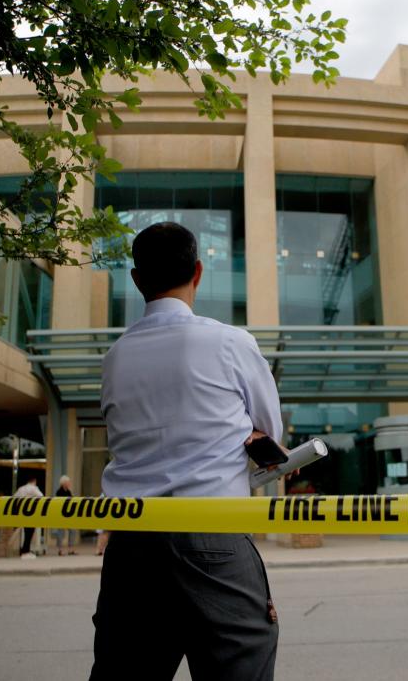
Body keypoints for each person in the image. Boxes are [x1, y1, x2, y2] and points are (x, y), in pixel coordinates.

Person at [89, 221, 284, 681]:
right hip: (212, 536)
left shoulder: (115, 357)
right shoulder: (231, 342)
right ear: (198, 272)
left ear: (136, 280)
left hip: (132, 542)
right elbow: (269, 430)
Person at [14, 473, 43, 559]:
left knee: (25, 533)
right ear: (34, 481)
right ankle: (25, 551)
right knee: (29, 534)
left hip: (22, 514)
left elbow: (14, 497)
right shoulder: (34, 488)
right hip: (31, 514)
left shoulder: (21, 489)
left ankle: (24, 549)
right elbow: (41, 497)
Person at [52, 474, 78, 555]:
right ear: (64, 483)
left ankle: (70, 549)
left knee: (72, 531)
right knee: (60, 532)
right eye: (68, 482)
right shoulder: (59, 492)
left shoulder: (69, 491)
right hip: (61, 515)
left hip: (68, 515)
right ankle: (60, 549)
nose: (69, 483)